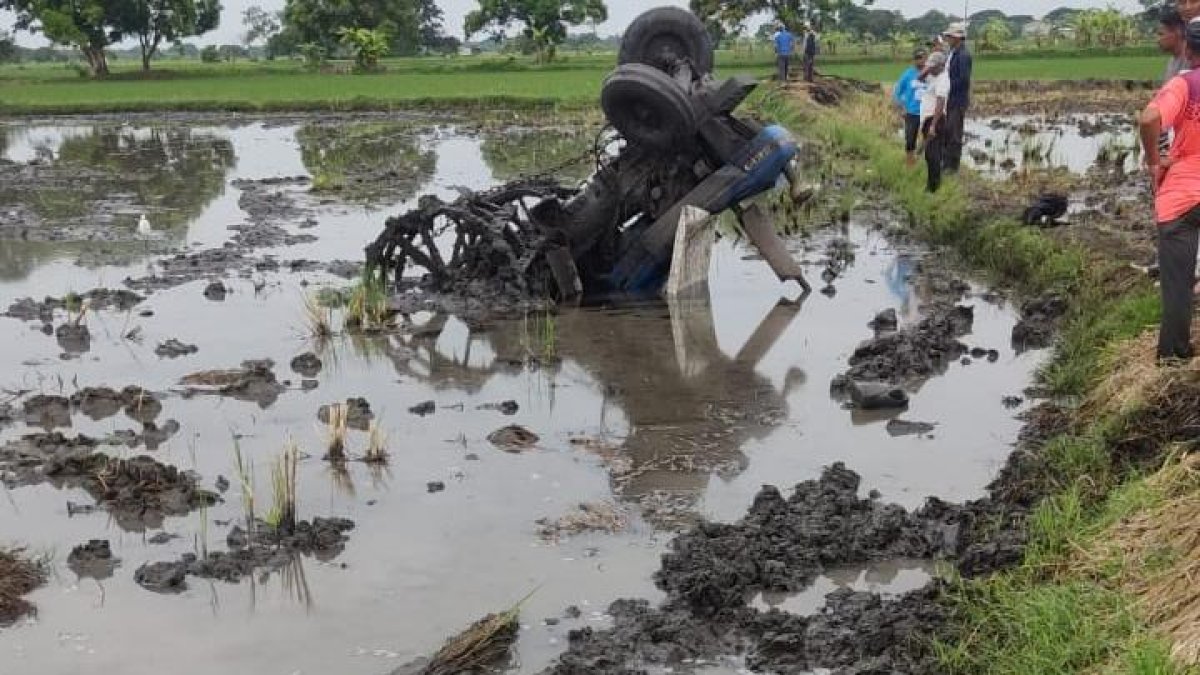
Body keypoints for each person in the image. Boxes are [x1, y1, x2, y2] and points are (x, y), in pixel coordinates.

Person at [1139, 18, 1200, 361]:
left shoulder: (1185, 83)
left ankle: (1174, 356)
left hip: (1183, 196)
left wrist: (1154, 161)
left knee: (1178, 284)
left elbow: (1149, 119)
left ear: (1188, 48)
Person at [941, 22, 973, 173]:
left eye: (950, 36)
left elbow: (963, 79)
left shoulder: (963, 55)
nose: (947, 39)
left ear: (957, 37)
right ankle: (946, 162)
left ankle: (952, 167)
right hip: (949, 98)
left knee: (954, 133)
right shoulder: (953, 53)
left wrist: (947, 87)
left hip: (957, 99)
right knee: (948, 130)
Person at [920, 51, 951, 193]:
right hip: (928, 119)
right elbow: (919, 78)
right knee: (929, 154)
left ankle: (933, 187)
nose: (930, 69)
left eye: (933, 66)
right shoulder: (934, 76)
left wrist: (933, 125)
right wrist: (928, 69)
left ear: (941, 66)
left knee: (933, 155)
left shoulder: (943, 79)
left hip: (936, 120)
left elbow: (940, 102)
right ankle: (931, 185)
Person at [894, 48, 929, 166]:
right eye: (917, 58)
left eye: (922, 57)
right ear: (914, 60)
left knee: (929, 137)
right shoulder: (908, 74)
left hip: (927, 112)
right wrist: (901, 108)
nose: (920, 61)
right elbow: (897, 93)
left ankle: (919, 157)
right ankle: (910, 164)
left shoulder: (931, 74)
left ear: (926, 58)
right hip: (912, 112)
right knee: (910, 139)